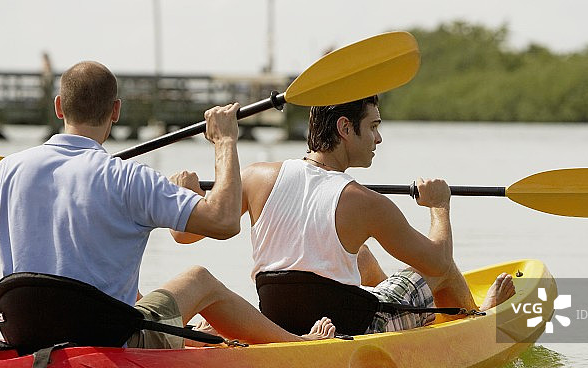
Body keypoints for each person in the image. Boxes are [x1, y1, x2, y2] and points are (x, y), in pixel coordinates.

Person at [0, 60, 335, 348]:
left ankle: (198, 338)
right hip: (106, 339)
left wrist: (13, 214)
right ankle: (297, 346)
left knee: (137, 298)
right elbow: (224, 221)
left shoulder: (6, 172)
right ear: (116, 111)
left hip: (27, 332)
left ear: (59, 107)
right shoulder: (129, 179)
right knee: (198, 279)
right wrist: (225, 142)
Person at [175, 95, 514, 335]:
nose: (378, 138)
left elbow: (183, 235)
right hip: (354, 327)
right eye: (373, 126)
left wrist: (188, 197)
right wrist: (440, 206)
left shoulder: (254, 175)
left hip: (279, 322)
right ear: (345, 128)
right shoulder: (366, 202)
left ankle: (389, 298)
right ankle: (477, 322)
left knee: (361, 257)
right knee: (443, 267)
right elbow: (437, 262)